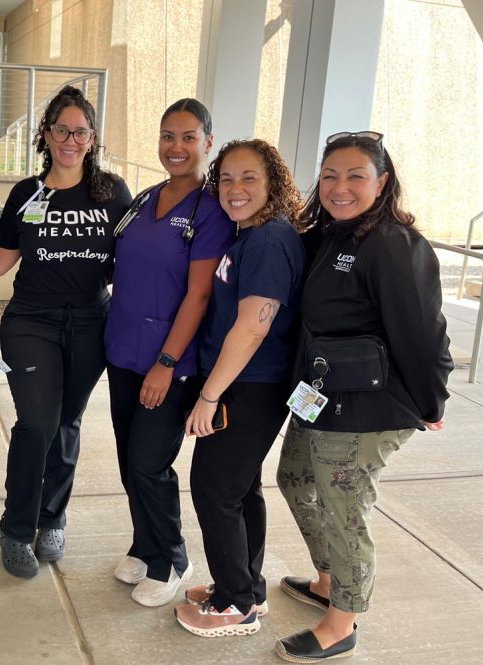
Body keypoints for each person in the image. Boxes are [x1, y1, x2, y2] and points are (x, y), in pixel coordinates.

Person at [273, 132, 452, 663]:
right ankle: (329, 581)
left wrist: (430, 401)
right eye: (330, 175)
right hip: (320, 397)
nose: (340, 187)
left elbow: (422, 333)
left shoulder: (393, 243)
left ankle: (343, 621)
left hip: (368, 408)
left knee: (344, 507)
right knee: (296, 479)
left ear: (383, 182)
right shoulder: (332, 235)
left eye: (355, 176)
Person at [0, 86, 132, 578]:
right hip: (32, 320)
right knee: (38, 423)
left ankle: (53, 518)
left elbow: (130, 266)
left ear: (92, 138)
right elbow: (0, 261)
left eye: (80, 131)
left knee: (68, 424)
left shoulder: (112, 193)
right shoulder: (27, 193)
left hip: (92, 321)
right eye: (61, 129)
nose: (71, 139)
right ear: (46, 135)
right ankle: (15, 525)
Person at [104, 99, 235, 607]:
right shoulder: (144, 199)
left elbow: (199, 295)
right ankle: (145, 542)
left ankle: (172, 558)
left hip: (170, 362)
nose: (175, 147)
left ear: (207, 142)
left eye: (186, 137)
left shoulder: (211, 211)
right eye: (166, 136)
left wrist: (165, 362)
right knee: (126, 459)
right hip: (122, 351)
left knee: (149, 462)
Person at [173, 138, 305, 637]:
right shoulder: (248, 235)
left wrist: (210, 396)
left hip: (250, 385)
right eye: (226, 178)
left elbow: (253, 326)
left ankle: (235, 606)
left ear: (272, 181)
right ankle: (247, 585)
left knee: (215, 490)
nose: (235, 188)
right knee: (241, 488)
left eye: (249, 177)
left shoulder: (271, 239)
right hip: (245, 382)